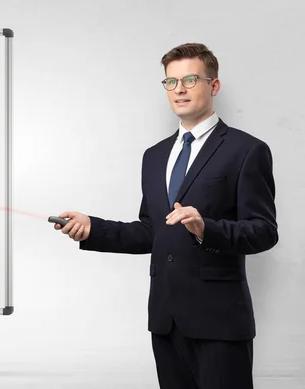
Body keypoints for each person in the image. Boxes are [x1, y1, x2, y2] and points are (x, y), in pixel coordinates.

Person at [54, 43, 278, 389]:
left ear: (213, 86)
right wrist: (92, 228)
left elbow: (263, 231)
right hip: (165, 319)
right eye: (171, 82)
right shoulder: (154, 156)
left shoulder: (246, 150)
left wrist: (206, 228)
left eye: (190, 79)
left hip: (219, 321)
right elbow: (151, 231)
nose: (180, 89)